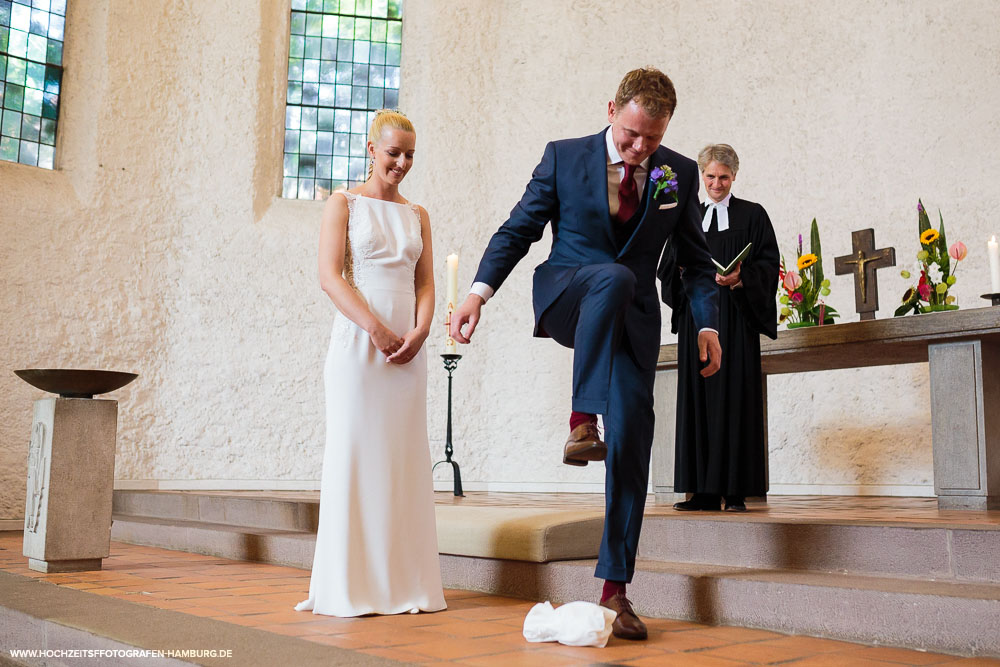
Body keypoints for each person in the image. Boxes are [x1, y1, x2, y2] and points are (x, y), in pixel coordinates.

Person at [450, 69, 721, 640]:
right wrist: (479, 293)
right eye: (629, 134)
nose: (639, 148)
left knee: (631, 446)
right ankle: (580, 419)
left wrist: (707, 324)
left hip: (633, 325)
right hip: (569, 293)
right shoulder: (563, 157)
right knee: (613, 277)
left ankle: (615, 592)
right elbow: (518, 229)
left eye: (651, 137)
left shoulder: (676, 173)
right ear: (611, 109)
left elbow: (696, 261)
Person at [295, 110, 446, 617]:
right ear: (370, 149)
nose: (401, 163)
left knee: (401, 461)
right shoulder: (344, 203)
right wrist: (376, 329)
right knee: (356, 454)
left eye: (409, 155)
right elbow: (329, 276)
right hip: (359, 347)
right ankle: (349, 585)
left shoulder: (418, 214)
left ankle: (405, 582)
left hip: (409, 349)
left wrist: (421, 329)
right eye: (393, 152)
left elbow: (425, 283)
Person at [660, 144, 779, 513]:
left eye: (723, 177)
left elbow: (769, 263)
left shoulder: (753, 215)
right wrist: (683, 274)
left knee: (736, 397)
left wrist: (742, 278)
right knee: (699, 400)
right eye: (710, 176)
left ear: (734, 177)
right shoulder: (686, 213)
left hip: (737, 320)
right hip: (699, 317)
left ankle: (737, 490)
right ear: (701, 175)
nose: (716, 183)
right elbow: (666, 267)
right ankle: (702, 492)